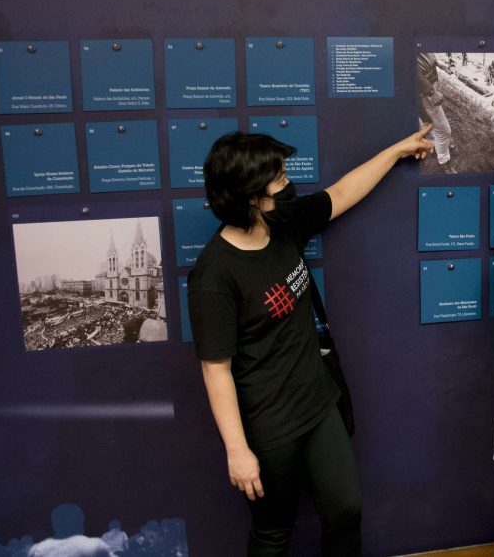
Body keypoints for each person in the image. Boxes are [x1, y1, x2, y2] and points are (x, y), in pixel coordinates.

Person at [188, 126, 432, 556]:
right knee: (272, 533)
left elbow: (342, 193)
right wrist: (238, 450)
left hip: (318, 404)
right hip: (269, 425)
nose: (288, 184)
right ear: (251, 196)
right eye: (279, 178)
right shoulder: (214, 276)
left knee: (345, 513)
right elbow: (216, 368)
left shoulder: (282, 223)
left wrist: (396, 151)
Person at [417, 51, 457, 173]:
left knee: (427, 120)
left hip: (427, 84)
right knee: (445, 131)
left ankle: (433, 146)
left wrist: (437, 63)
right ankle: (444, 161)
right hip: (424, 90)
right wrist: (431, 92)